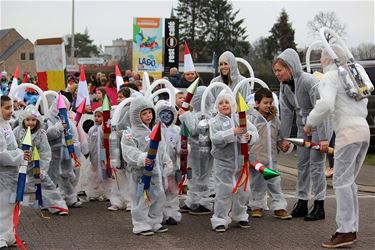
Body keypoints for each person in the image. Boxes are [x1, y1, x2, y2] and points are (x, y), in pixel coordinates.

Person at [304, 44, 370, 248]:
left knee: (341, 182)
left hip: (347, 133)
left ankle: (345, 231)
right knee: (348, 182)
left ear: (326, 60)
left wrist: (310, 123)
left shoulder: (331, 78)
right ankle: (351, 228)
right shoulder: (353, 75)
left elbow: (325, 105)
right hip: (363, 131)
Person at [273, 48, 331, 221]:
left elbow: (322, 109)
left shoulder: (309, 82)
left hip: (319, 126)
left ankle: (319, 205)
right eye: (275, 71)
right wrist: (284, 137)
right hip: (302, 127)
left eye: (279, 70)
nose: (277, 74)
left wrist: (324, 138)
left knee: (316, 165)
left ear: (290, 67)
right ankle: (302, 202)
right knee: (302, 164)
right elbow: (286, 111)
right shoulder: (284, 86)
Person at [121, 96, 173, 236]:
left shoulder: (155, 130)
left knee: (158, 197)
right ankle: (140, 223)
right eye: (144, 113)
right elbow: (128, 151)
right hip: (141, 174)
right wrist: (142, 158)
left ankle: (155, 221)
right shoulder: (129, 134)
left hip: (158, 173)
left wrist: (167, 161)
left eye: (149, 112)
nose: (148, 116)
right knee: (141, 199)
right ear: (136, 115)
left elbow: (161, 149)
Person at [209, 91, 258, 232]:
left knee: (243, 190)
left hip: (241, 162)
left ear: (233, 104)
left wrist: (250, 137)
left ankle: (240, 214)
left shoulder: (241, 119)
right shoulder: (214, 122)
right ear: (216, 106)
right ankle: (219, 218)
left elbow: (255, 133)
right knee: (223, 191)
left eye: (227, 102)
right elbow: (216, 139)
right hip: (223, 163)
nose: (224, 105)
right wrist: (232, 132)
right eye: (221, 103)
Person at [13, 105, 69, 215]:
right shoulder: (17, 132)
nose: (30, 122)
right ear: (22, 120)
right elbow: (12, 147)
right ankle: (10, 208)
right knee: (14, 186)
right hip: (19, 165)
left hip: (36, 165)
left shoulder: (41, 134)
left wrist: (42, 169)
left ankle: (57, 205)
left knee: (46, 184)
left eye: (33, 120)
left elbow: (45, 152)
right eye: (27, 120)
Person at [248, 88, 291, 220]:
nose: (268, 105)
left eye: (270, 102)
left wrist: (284, 145)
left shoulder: (275, 120)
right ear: (257, 103)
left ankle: (279, 207)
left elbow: (278, 138)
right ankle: (256, 206)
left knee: (275, 182)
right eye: (265, 103)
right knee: (256, 184)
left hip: (271, 160)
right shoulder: (251, 119)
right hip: (256, 160)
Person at [178, 86, 214, 215]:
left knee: (204, 176)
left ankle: (205, 202)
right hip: (194, 150)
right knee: (193, 176)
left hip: (204, 150)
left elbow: (194, 130)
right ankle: (193, 201)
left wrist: (184, 115)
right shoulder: (196, 114)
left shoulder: (206, 115)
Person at [0, 95, 28, 248]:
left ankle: (9, 236)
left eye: (11, 107)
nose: (11, 111)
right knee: (3, 207)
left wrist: (20, 152)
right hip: (3, 176)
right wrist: (19, 155)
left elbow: (12, 146)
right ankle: (0, 237)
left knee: (12, 206)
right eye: (6, 108)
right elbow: (1, 155)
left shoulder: (6, 125)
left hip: (11, 176)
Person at [45, 97, 82, 208]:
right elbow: (47, 135)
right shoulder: (48, 120)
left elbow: (75, 139)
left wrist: (75, 153)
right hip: (53, 153)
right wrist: (58, 127)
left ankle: (70, 198)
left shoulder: (68, 122)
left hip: (66, 153)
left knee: (66, 176)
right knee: (51, 178)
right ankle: (48, 201)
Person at [155, 100, 181, 225]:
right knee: (159, 193)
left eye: (168, 113)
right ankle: (158, 215)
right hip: (157, 169)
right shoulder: (154, 129)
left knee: (172, 192)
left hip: (172, 168)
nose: (166, 116)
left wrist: (184, 149)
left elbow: (180, 147)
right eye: (163, 113)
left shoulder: (176, 130)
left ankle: (172, 214)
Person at [86, 107, 112, 201]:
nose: (96, 118)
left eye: (99, 116)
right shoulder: (92, 129)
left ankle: (108, 193)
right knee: (94, 174)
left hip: (103, 154)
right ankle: (94, 193)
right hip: (94, 156)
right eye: (95, 116)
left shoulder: (105, 129)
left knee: (105, 173)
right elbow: (89, 142)